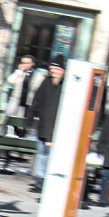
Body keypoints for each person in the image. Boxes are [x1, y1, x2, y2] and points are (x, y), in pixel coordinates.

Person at [25, 57, 67, 192]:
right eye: (52, 68)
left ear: (63, 71)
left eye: (56, 69)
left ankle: (46, 181)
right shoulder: (46, 82)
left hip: (56, 128)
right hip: (44, 125)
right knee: (41, 153)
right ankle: (40, 181)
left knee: (49, 155)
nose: (53, 71)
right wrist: (29, 118)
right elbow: (37, 100)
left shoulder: (66, 86)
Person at [0, 54, 46, 133]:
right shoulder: (19, 73)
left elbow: (40, 88)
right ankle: (9, 132)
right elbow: (10, 80)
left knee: (23, 121)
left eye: (26, 63)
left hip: (29, 102)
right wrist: (19, 72)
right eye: (22, 62)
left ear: (33, 64)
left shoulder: (38, 75)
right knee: (10, 117)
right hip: (16, 99)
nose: (24, 65)